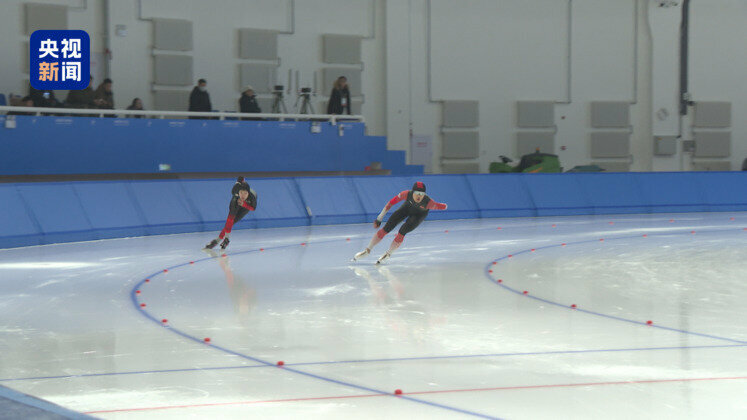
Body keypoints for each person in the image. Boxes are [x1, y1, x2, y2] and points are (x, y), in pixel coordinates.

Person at [353, 182, 448, 264]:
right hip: (406, 208)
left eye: (421, 193)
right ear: (412, 192)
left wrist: (444, 206)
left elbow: (442, 206)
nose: (419, 196)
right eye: (417, 193)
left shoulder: (429, 203)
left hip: (418, 215)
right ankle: (367, 250)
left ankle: (388, 254)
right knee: (386, 228)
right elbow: (390, 204)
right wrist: (379, 219)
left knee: (402, 231)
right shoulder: (406, 194)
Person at [205, 177, 258, 250]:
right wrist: (227, 238)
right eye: (241, 193)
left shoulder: (252, 197)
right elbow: (230, 219)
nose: (243, 196)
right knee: (231, 221)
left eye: (245, 193)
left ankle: (217, 240)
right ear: (238, 192)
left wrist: (244, 205)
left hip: (247, 206)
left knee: (233, 221)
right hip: (237, 202)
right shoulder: (234, 193)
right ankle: (217, 240)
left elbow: (253, 208)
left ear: (248, 193)